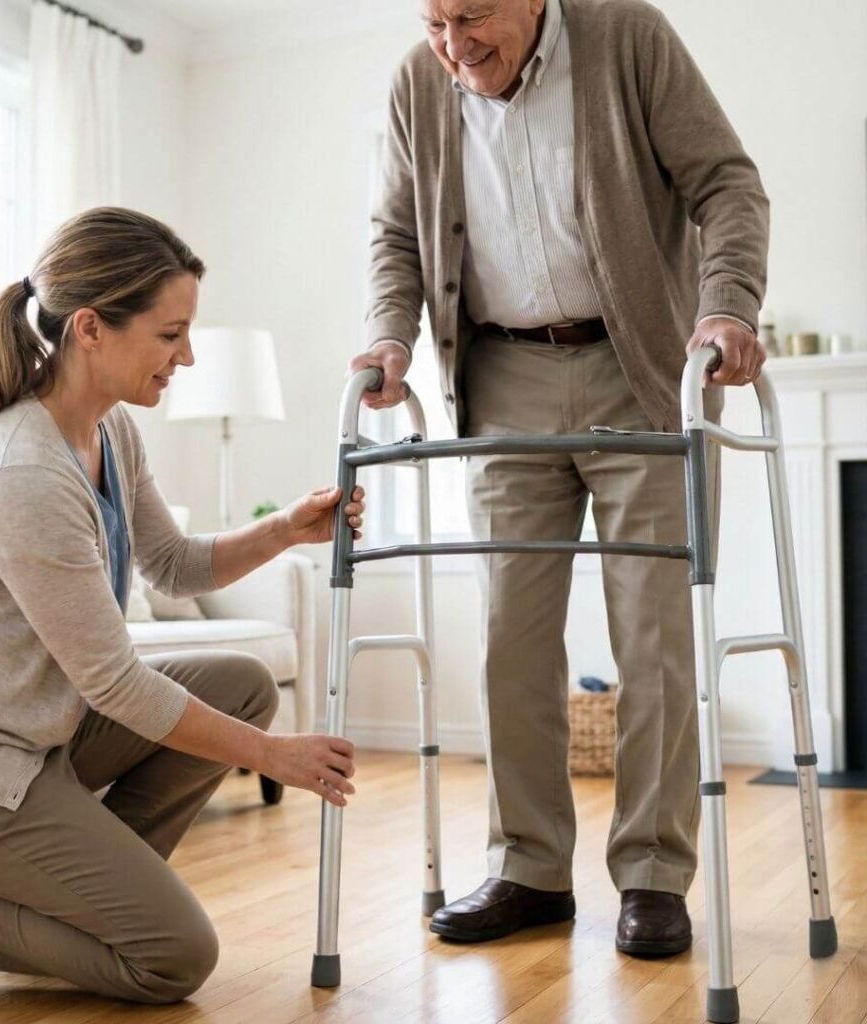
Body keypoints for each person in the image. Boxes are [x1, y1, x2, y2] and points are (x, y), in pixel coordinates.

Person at [0, 207, 365, 1002]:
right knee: (173, 959)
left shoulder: (110, 429)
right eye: (170, 335)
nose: (187, 356)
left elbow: (171, 562)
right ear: (91, 328)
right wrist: (275, 758)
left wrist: (284, 531)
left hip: (32, 733)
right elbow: (117, 683)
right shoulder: (21, 471)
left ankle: (77, 894)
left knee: (242, 683)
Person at [350, 0, 768, 956]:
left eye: (473, 16)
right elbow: (395, 232)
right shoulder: (420, 84)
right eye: (433, 22)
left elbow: (727, 184)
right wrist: (388, 334)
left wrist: (727, 306)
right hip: (501, 375)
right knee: (509, 633)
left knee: (653, 633)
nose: (455, 47)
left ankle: (654, 874)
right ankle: (529, 868)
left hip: (640, 363)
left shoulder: (626, 35)